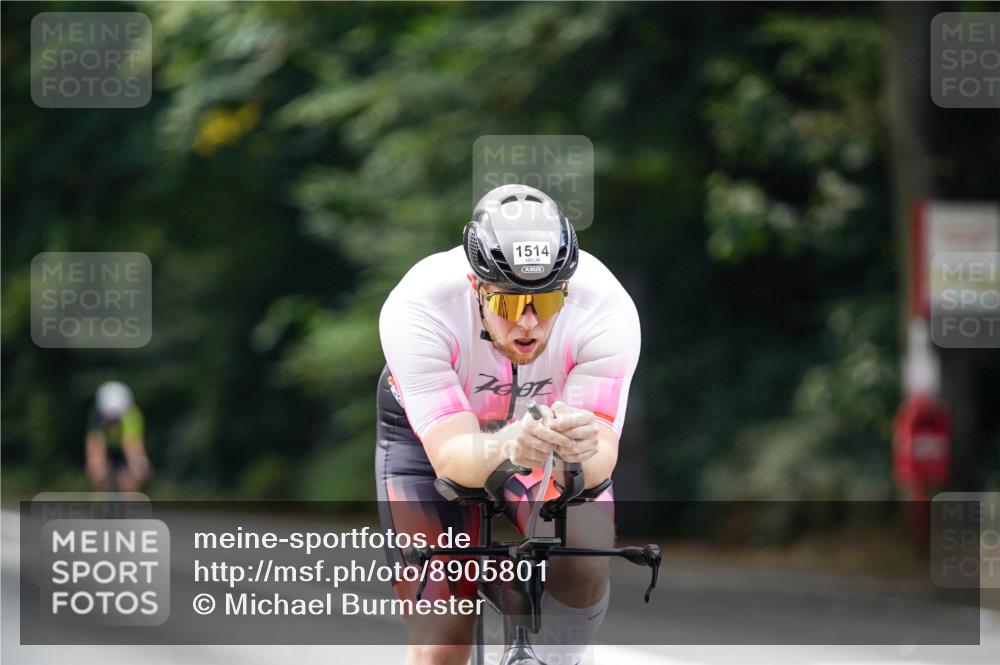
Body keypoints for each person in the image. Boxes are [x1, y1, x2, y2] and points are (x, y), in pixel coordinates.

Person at [376, 184, 641, 665]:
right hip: (434, 440)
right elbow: (453, 460)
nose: (527, 325)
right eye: (508, 305)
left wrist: (581, 450)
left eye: (544, 305)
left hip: (544, 441)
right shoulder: (418, 305)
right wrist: (510, 443)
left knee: (586, 551)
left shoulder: (606, 308)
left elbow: (600, 459)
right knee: (442, 641)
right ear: (477, 288)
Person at [85, 381, 150, 492]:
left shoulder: (132, 415)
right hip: (107, 450)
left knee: (137, 471)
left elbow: (133, 445)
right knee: (97, 473)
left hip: (124, 450)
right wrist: (98, 472)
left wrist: (137, 468)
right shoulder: (96, 416)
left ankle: (129, 503)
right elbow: (95, 447)